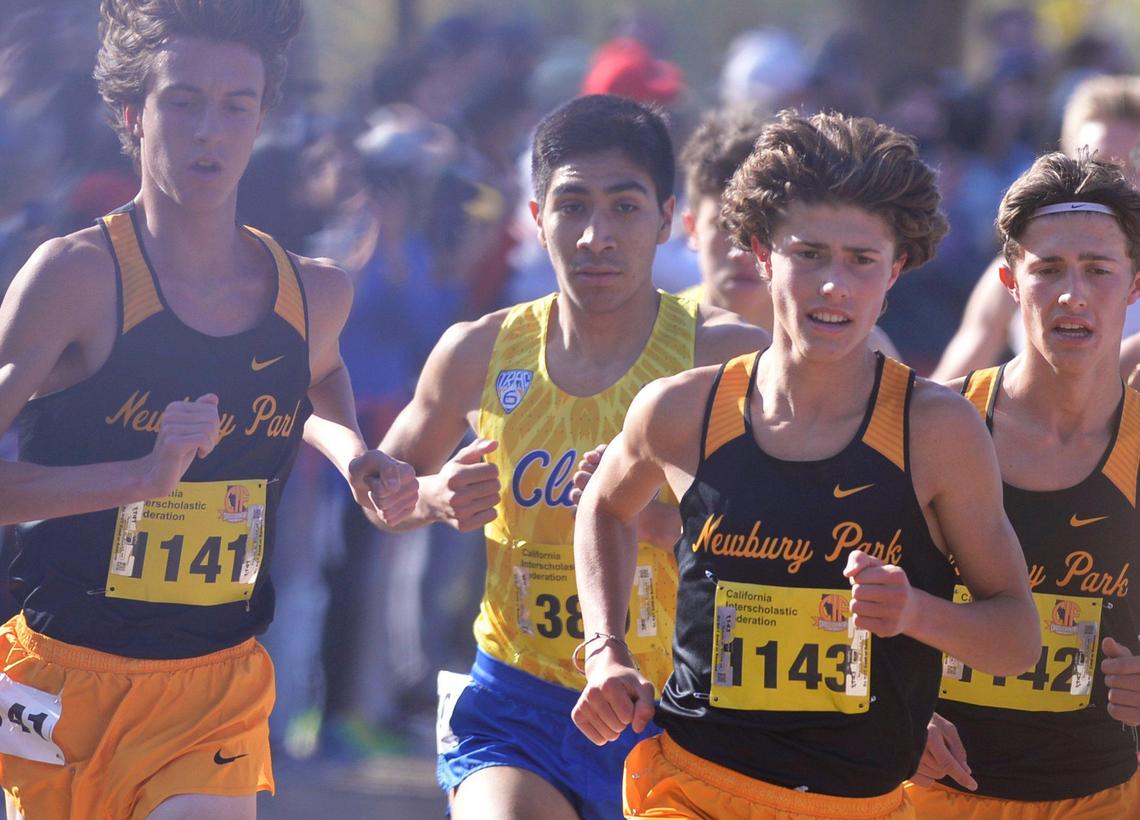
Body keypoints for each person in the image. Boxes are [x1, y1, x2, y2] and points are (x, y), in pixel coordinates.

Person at [0, 2, 417, 818]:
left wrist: (354, 455)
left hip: (214, 686)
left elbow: (316, 378)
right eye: (183, 102)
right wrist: (137, 479)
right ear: (134, 114)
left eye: (235, 106)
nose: (208, 133)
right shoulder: (74, 279)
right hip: (61, 677)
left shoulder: (312, 293)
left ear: (262, 119)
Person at [570, 109, 1040, 819]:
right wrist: (606, 647)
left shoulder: (938, 430)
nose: (833, 286)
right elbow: (605, 506)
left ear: (896, 269)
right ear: (762, 253)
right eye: (809, 254)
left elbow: (1016, 639)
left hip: (858, 803)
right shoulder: (680, 409)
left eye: (861, 260)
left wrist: (914, 611)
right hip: (691, 786)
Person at [349, 93, 768, 820]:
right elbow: (382, 489)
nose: (596, 236)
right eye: (572, 207)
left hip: (675, 706)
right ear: (537, 218)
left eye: (625, 207)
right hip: (518, 703)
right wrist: (433, 496)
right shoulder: (477, 351)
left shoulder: (724, 356)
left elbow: (787, 535)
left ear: (665, 218)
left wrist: (653, 518)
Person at [908, 154, 1140, 816]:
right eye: (1048, 270)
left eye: (1098, 270)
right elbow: (841, 589)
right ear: (1010, 282)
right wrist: (891, 707)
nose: (1073, 295)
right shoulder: (933, 424)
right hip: (937, 796)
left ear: (1134, 285)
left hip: (1102, 795)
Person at [933, 74, 1140, 382]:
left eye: (1133, 165)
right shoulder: (1019, 271)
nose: (1119, 182)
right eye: (1099, 165)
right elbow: (945, 390)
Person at [678, 107, 900, 358]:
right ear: (691, 228)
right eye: (724, 227)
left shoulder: (863, 350)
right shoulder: (658, 334)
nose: (740, 251)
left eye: (757, 228)